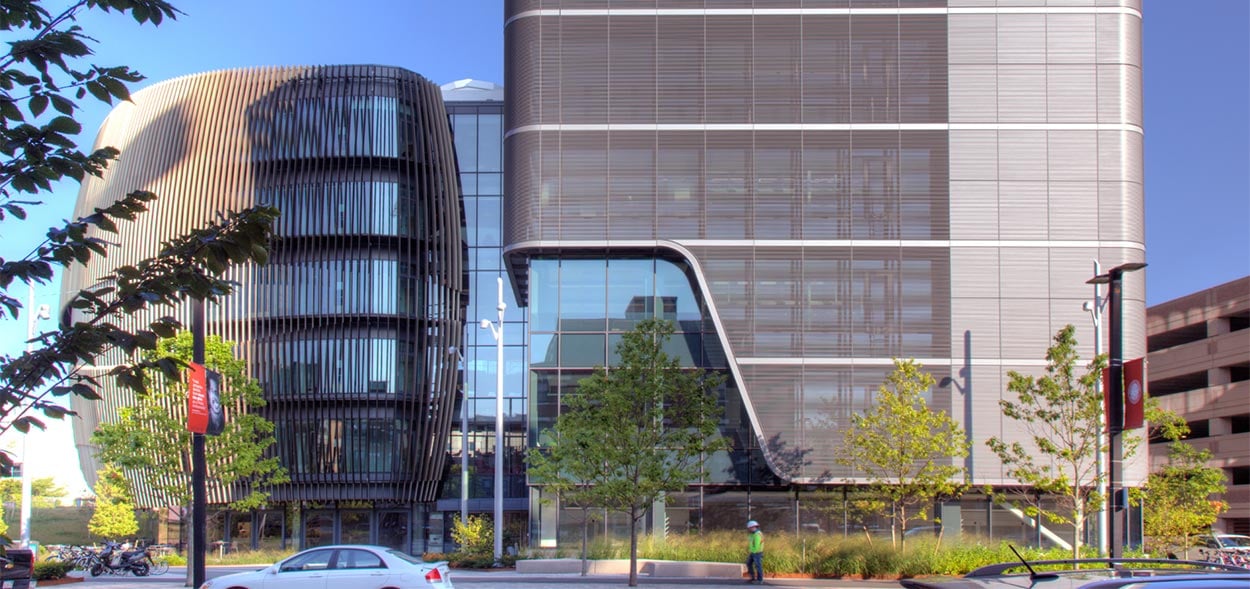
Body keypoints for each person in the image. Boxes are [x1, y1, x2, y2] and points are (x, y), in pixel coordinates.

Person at [745, 520, 763, 584]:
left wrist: (752, 551)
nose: (749, 529)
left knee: (758, 566)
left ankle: (760, 580)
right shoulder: (752, 534)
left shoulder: (757, 535)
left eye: (749, 528)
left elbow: (756, 546)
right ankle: (752, 578)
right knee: (748, 564)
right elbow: (751, 543)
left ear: (753, 527)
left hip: (757, 553)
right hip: (753, 552)